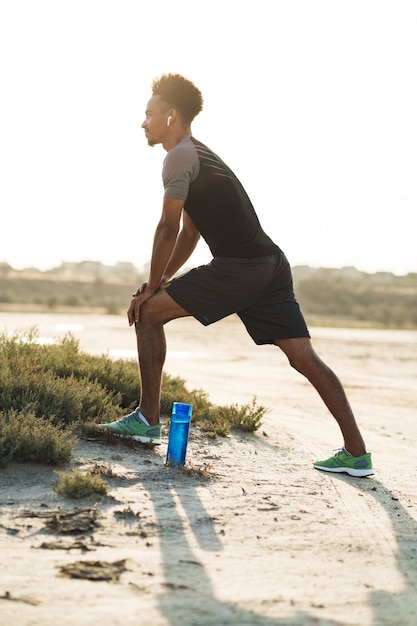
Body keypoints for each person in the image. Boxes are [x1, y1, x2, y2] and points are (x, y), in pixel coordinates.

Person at [100, 73, 373, 478]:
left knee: (147, 313)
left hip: (242, 266)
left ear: (171, 116)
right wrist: (158, 281)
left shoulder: (178, 157)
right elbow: (191, 233)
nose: (143, 122)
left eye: (149, 113)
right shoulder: (199, 156)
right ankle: (357, 454)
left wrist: (152, 289)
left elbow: (168, 228)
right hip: (271, 264)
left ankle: (146, 420)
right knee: (304, 359)